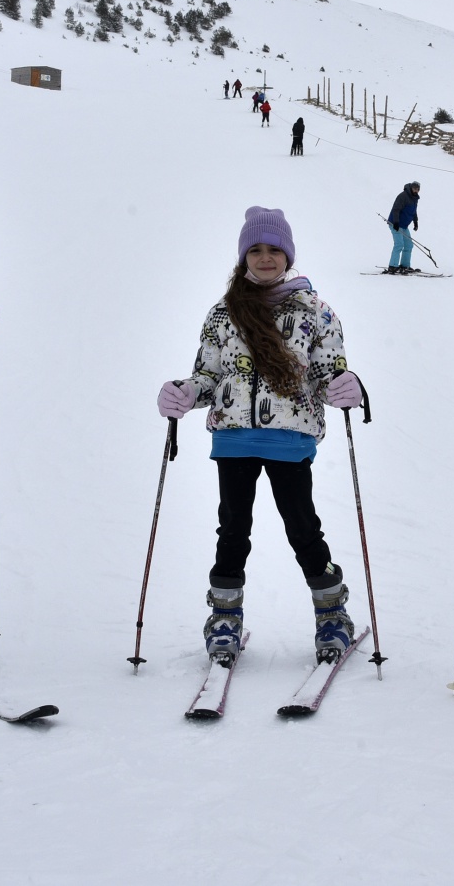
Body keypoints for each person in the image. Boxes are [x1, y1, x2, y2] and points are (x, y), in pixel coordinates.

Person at [156, 207, 365, 668]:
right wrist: (186, 393)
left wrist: (342, 387)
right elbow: (209, 374)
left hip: (290, 439)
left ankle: (332, 612)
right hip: (233, 438)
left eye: (274, 249)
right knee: (232, 531)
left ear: (287, 255)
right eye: (256, 249)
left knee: (303, 529)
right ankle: (224, 618)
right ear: (243, 255)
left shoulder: (316, 311)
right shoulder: (224, 312)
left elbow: (328, 373)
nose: (265, 257)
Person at [385, 181, 420, 274]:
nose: (416, 190)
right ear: (411, 188)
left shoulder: (414, 198)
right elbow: (396, 209)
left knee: (409, 245)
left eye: (417, 189)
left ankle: (405, 265)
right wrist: (396, 222)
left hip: (404, 226)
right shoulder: (403, 196)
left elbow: (413, 211)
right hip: (395, 224)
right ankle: (392, 266)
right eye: (414, 188)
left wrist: (415, 222)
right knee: (399, 244)